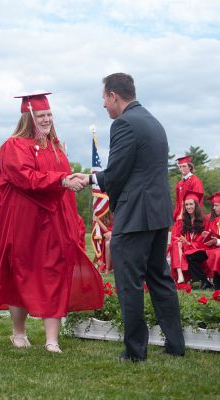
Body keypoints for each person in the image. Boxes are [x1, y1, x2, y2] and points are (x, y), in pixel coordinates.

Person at [74, 73, 185, 361]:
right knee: (160, 279)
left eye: (104, 99)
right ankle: (176, 344)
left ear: (113, 95)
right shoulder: (153, 121)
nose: (103, 105)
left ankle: (135, 351)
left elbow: (116, 173)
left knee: (129, 283)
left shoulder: (124, 123)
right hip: (158, 214)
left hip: (136, 215)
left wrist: (87, 179)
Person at [0, 92, 104, 352]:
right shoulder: (13, 146)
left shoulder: (56, 146)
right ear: (29, 118)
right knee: (21, 272)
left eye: (49, 115)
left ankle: (52, 340)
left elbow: (62, 179)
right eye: (41, 115)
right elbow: (24, 178)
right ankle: (19, 333)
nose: (47, 119)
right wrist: (61, 180)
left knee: (55, 273)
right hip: (24, 222)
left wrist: (72, 182)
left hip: (54, 221)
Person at [170, 191, 213, 289]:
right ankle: (180, 274)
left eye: (191, 204)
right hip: (186, 249)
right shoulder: (183, 220)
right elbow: (174, 236)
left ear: (196, 205)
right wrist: (182, 241)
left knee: (189, 254)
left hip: (200, 250)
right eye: (186, 204)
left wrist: (189, 243)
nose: (189, 207)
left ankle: (201, 280)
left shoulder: (204, 220)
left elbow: (205, 242)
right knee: (177, 243)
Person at [173, 156, 203, 221]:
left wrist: (193, 218)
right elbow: (178, 202)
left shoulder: (195, 181)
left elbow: (198, 202)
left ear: (189, 167)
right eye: (180, 167)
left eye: (184, 166)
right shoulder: (179, 183)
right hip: (180, 216)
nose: (181, 169)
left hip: (190, 217)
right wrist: (175, 215)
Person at [203, 192, 220, 289]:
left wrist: (216, 241)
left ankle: (217, 286)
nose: (213, 208)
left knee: (217, 255)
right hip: (215, 247)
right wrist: (208, 236)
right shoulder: (216, 220)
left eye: (216, 205)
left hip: (217, 248)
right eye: (214, 205)